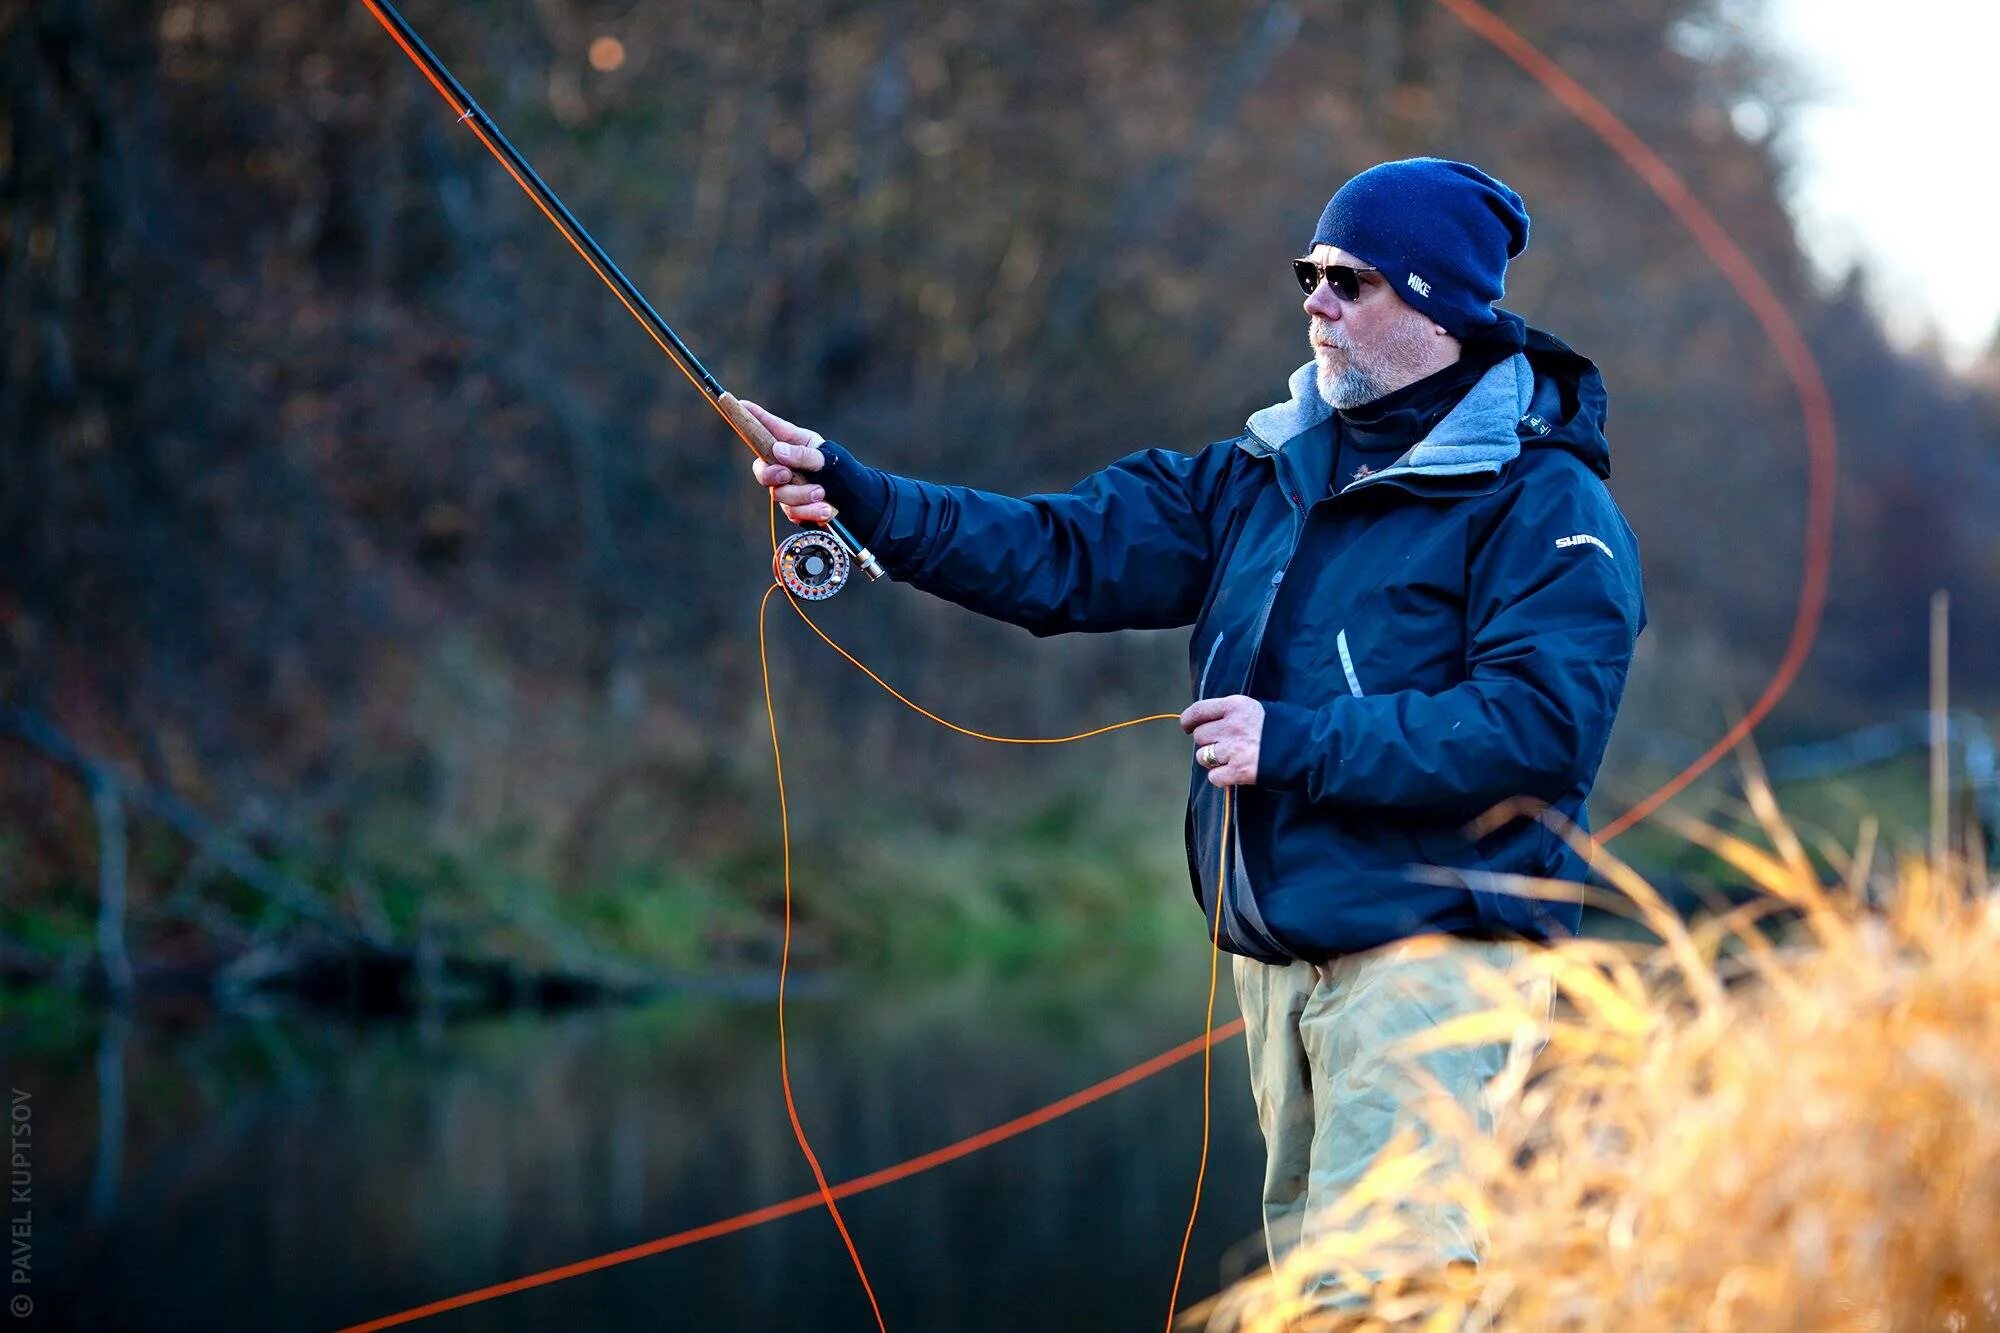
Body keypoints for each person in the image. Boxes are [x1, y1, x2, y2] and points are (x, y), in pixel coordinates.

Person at [747, 158, 1646, 1301]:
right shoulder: (1259, 476)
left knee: (1386, 1299)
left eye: (1348, 280)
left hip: (1436, 971)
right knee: (1318, 1296)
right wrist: (862, 493)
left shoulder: (1545, 503)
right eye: (1308, 274)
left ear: (1436, 305)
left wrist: (1296, 741)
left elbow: (1540, 729)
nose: (1314, 299)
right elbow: (1056, 553)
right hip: (1281, 974)